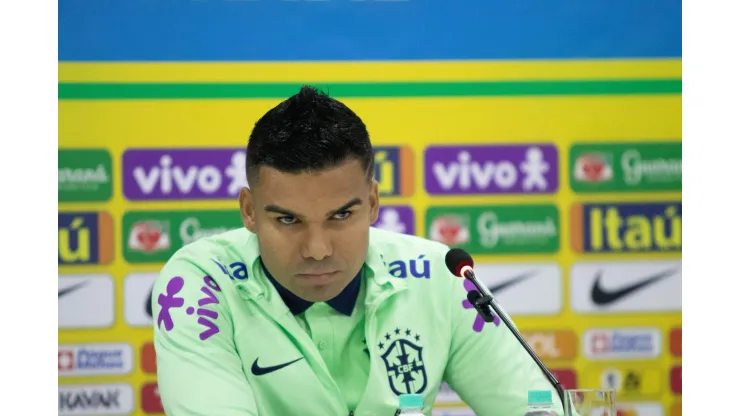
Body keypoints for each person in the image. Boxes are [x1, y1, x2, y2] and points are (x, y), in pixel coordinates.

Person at [152, 86, 563, 416]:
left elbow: (534, 408)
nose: (317, 250)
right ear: (249, 211)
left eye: (340, 215)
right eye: (288, 220)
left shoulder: (442, 275)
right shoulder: (200, 282)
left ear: (372, 204)